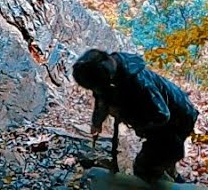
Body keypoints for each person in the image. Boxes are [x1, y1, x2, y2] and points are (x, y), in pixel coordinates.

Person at [73, 48, 198, 185]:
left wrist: (124, 115)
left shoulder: (140, 84)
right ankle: (172, 176)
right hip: (162, 120)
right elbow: (102, 96)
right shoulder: (107, 71)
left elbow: (162, 115)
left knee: (145, 169)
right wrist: (97, 122)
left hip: (177, 122)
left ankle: (172, 184)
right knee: (162, 161)